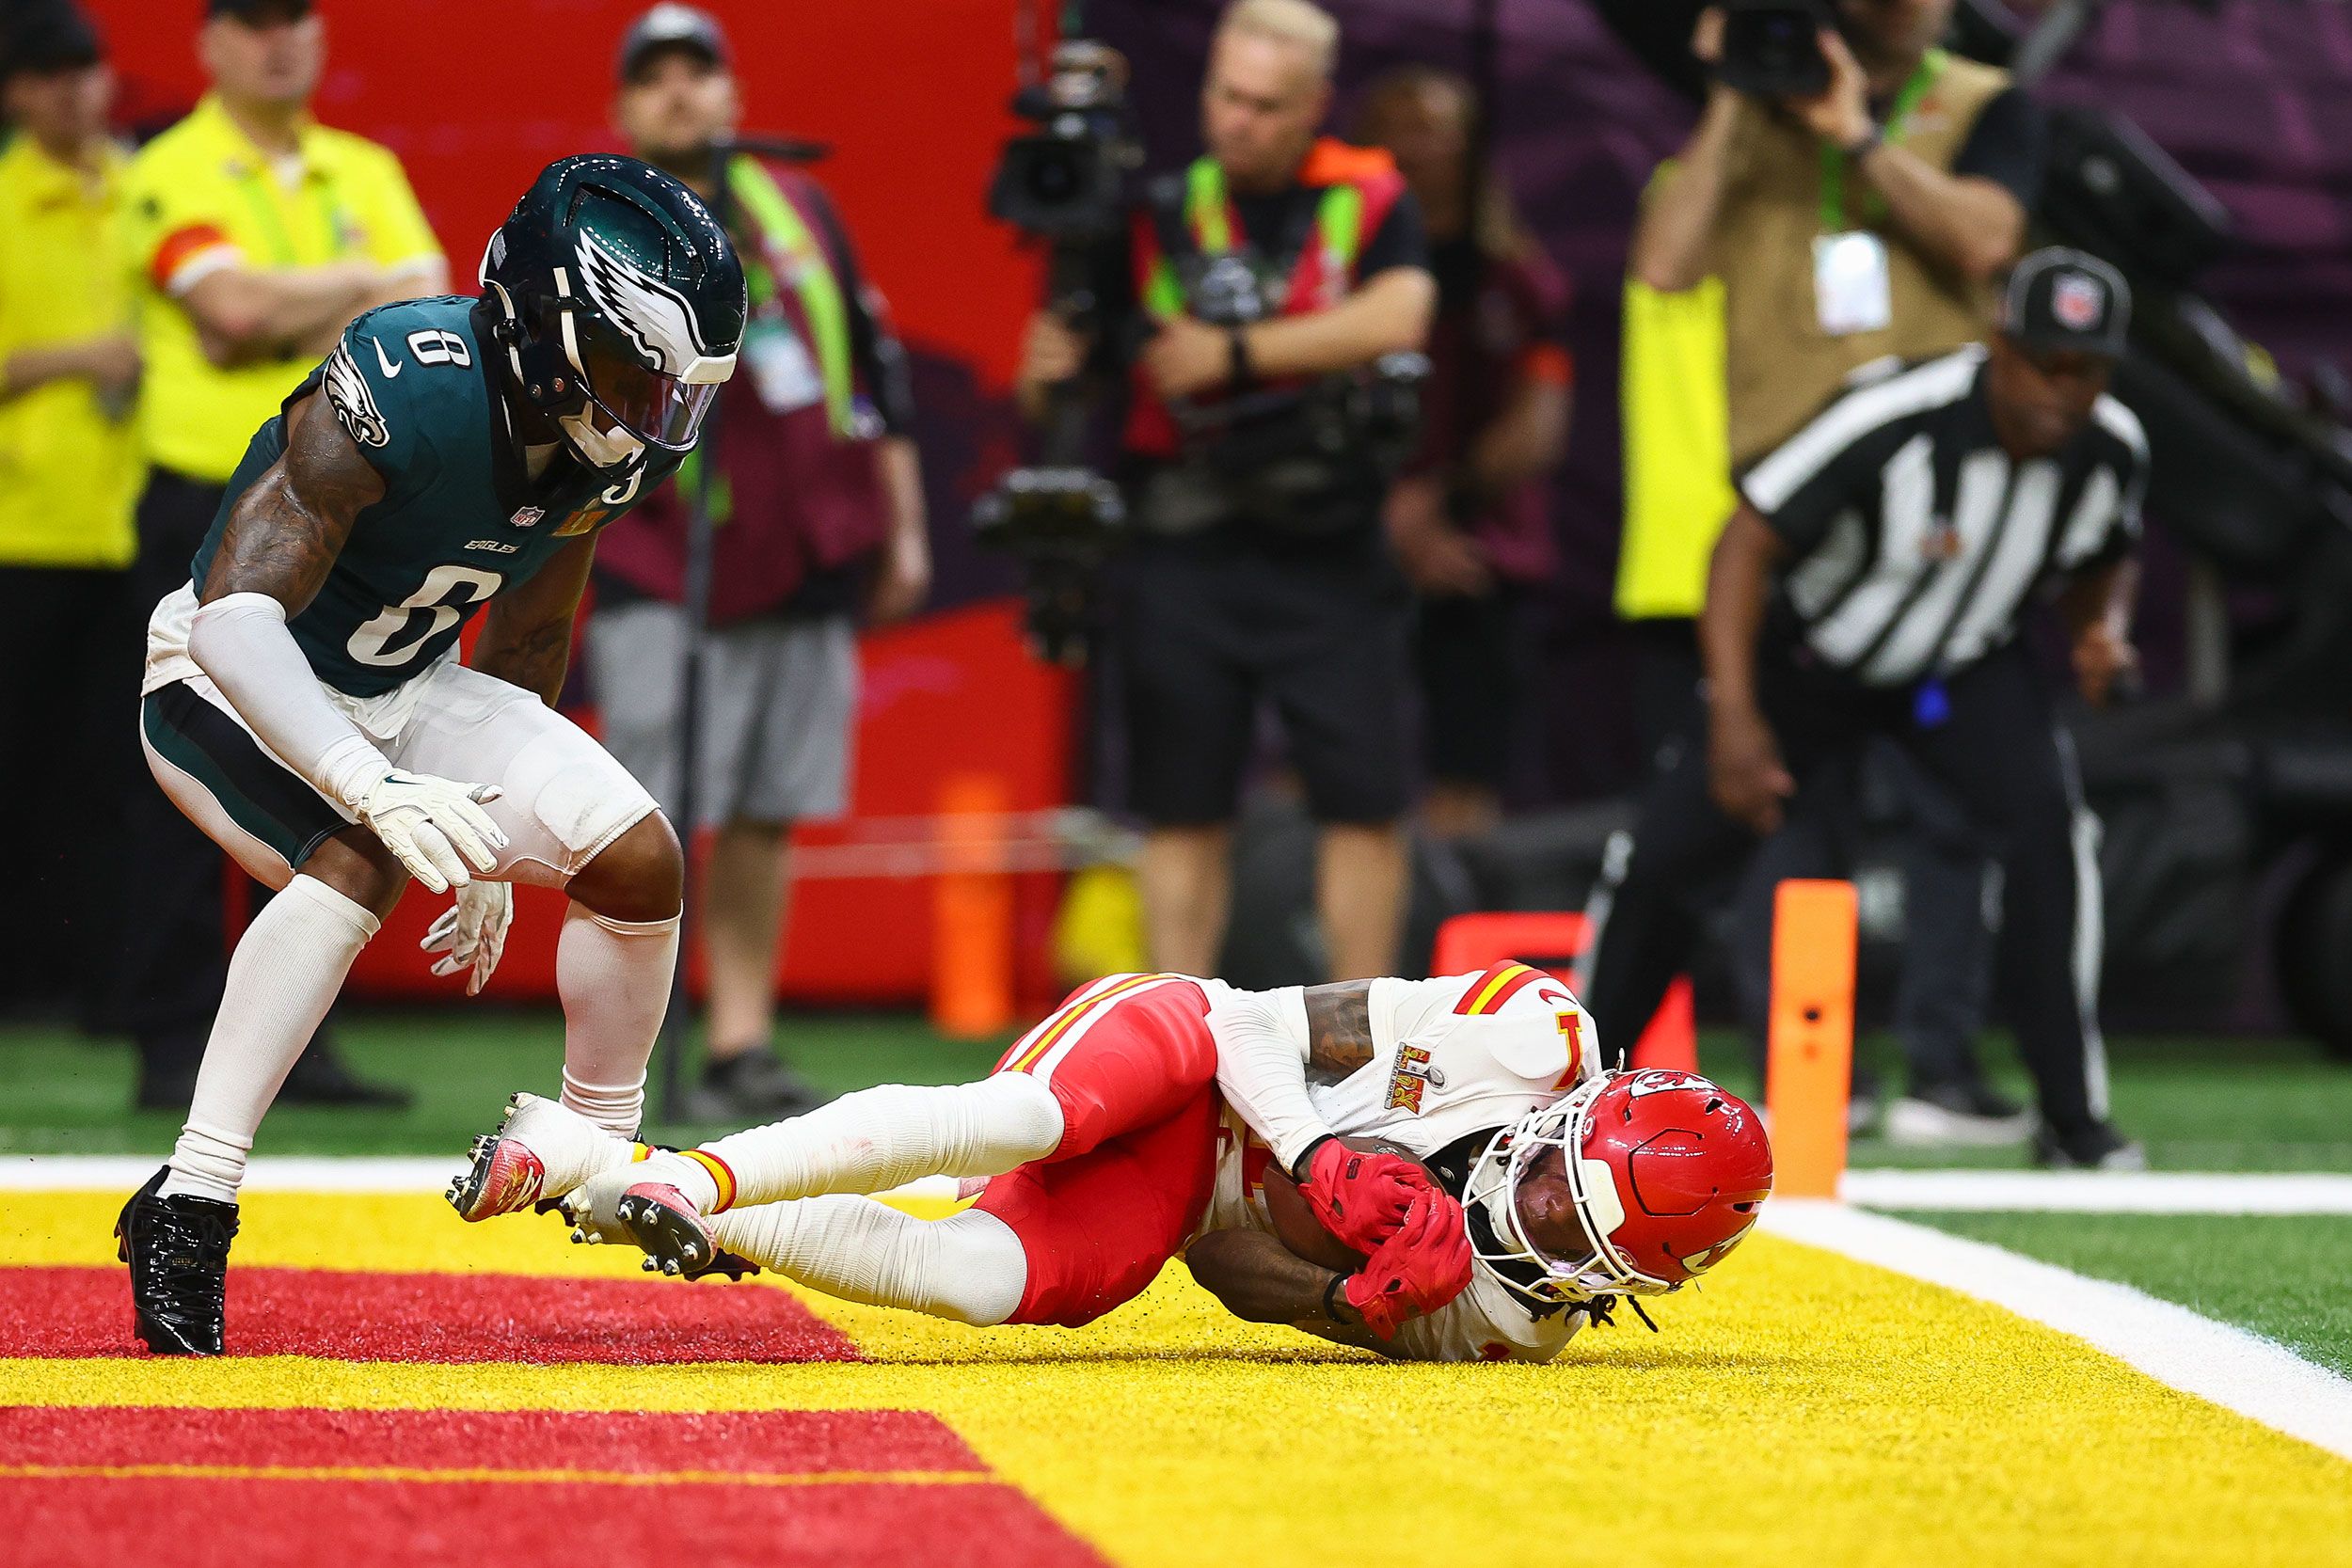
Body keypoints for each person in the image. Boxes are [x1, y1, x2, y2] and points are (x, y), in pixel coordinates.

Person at [113, 155, 748, 1355]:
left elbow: (533, 625)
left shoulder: (602, 439)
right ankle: (190, 1202)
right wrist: (369, 781)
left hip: (407, 686)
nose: (658, 412)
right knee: (354, 860)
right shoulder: (405, 384)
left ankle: (596, 1154)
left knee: (637, 858)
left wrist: (499, 844)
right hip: (222, 680)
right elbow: (237, 620)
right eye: (637, 373)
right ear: (553, 333)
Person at [453, 962, 1772, 1361]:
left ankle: (595, 1163)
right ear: (1573, 1113)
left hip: (1198, 1187)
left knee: (986, 1278)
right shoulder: (1527, 1034)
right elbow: (1246, 1018)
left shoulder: (1505, 1324)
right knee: (1027, 1116)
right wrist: (1317, 1146)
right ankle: (701, 1178)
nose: (1536, 1222)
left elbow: (1226, 1267)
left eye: (1573, 1239)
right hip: (1193, 1050)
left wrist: (1344, 1304)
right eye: (1551, 1184)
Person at [1580, 249, 2150, 1170]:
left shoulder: (2111, 445)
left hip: (1958, 669)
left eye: (2085, 369)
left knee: (2049, 835)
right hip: (1809, 657)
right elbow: (1743, 541)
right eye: (2045, 361)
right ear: (1998, 345)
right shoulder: (1894, 418)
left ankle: (2071, 1115)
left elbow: (2105, 551)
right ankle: (1572, 1087)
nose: (2062, 389)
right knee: (1670, 854)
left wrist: (2101, 630)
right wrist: (1734, 713)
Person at [1618, 0, 2047, 1134]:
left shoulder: (1984, 103)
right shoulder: (1753, 116)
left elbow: (1987, 243)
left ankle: (1946, 1069)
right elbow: (1661, 267)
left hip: (1938, 520)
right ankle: (1813, 1074)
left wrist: (1858, 135)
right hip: (1789, 520)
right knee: (1781, 805)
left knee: (1954, 805)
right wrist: (1728, 92)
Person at [1015, 0, 1435, 983]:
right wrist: (1049, 362)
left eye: (1264, 105)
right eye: (1224, 95)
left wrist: (1235, 353)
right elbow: (1069, 370)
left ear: (1312, 108)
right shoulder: (1152, 209)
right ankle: (1183, 1043)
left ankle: (1358, 1038)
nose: (1236, 120)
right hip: (1184, 541)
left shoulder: (1368, 196)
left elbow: (1401, 312)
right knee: (1180, 805)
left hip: (1329, 537)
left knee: (1363, 801)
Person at [588, 5, 930, 1121]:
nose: (681, 93)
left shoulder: (802, 206)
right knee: (644, 813)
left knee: (769, 806)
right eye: (656, 78)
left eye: (700, 72)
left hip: (805, 554)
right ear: (626, 108)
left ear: (733, 93)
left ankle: (739, 1037)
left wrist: (903, 525)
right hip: (659, 552)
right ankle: (620, 1048)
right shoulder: (596, 220)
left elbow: (870, 372)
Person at [112, 0, 450, 1110]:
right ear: (209, 42)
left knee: (322, 750)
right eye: (252, 20)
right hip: (203, 499)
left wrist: (296, 311)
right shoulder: (168, 166)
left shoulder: (363, 163)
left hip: (340, 506)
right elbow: (229, 311)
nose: (278, 40)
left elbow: (432, 295)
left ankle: (296, 1042)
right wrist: (361, 290)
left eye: (295, 18)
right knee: (188, 765)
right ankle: (168, 1036)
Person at [1353, 66, 1573, 843]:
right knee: (1334, 763)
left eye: (1435, 125)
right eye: (1397, 122)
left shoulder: (1519, 281)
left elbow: (1536, 426)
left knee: (1466, 771)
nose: (1415, 144)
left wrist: (1436, 506)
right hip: (1350, 548)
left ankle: (1457, 936)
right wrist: (1387, 518)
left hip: (1477, 554)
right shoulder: (1344, 278)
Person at [0, 3, 142, 1019]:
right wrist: (77, 360)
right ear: (16, 91)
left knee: (121, 773)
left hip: (129, 517)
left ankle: (103, 981)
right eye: (49, 74)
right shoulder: (7, 201)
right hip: (24, 524)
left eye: (84, 69)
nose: (71, 90)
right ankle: (18, 979)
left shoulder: (142, 191)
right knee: (21, 765)